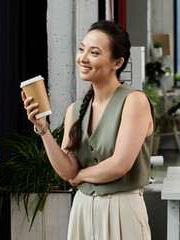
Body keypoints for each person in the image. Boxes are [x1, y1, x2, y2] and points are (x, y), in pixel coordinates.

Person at [22, 20, 154, 239]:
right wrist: (42, 128)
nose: (83, 58)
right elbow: (66, 171)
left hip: (121, 210)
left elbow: (120, 165)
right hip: (82, 209)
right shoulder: (74, 110)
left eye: (94, 52)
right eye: (81, 49)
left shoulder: (134, 101)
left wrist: (80, 175)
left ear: (117, 62)